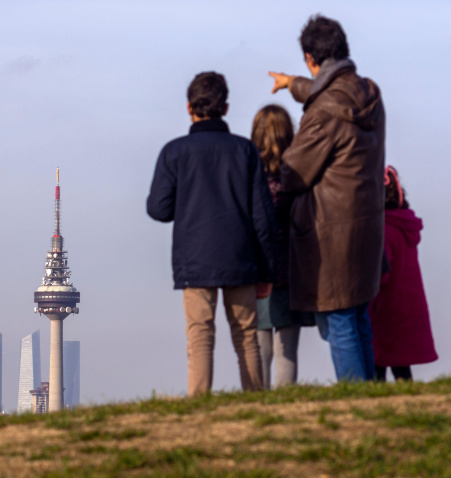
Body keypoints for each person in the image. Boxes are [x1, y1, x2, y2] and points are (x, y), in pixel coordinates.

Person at [268, 15, 385, 381]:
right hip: (367, 225)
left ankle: (355, 403)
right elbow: (329, 94)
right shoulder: (369, 94)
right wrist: (293, 84)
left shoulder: (322, 115)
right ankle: (370, 398)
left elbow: (294, 172)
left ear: (310, 59)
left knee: (339, 322)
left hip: (331, 231)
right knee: (358, 315)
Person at [147, 71, 277, 395]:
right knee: (247, 335)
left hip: (195, 257)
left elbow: (158, 209)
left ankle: (199, 404)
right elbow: (263, 216)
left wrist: (190, 202)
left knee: (200, 334)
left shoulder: (173, 152)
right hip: (241, 256)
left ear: (189, 107)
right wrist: (268, 268)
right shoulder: (245, 151)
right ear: (227, 108)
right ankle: (255, 400)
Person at [250, 105, 316, 389]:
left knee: (260, 347)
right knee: (287, 347)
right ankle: (286, 405)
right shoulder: (299, 175)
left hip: (258, 267)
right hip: (293, 268)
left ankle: (260, 407)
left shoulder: (248, 176)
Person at [370, 166, 438, 381]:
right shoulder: (404, 225)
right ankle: (408, 396)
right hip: (407, 302)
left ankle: (375, 400)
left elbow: (382, 272)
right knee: (401, 363)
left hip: (385, 305)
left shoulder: (383, 228)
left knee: (377, 360)